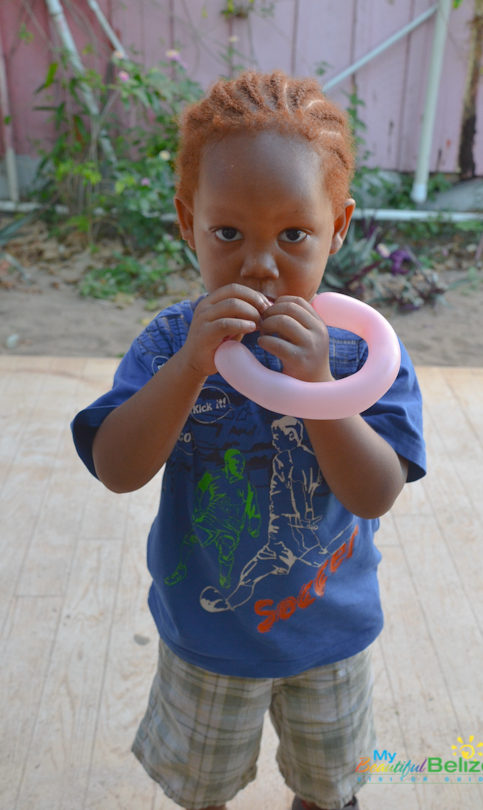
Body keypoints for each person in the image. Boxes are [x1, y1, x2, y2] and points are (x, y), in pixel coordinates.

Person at [71, 69, 426, 810]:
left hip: (328, 634)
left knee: (329, 791)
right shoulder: (171, 343)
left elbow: (375, 493)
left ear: (338, 226)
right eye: (228, 233)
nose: (260, 265)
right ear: (187, 222)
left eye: (293, 234)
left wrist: (319, 384)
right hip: (207, 633)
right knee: (200, 791)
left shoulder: (361, 354)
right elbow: (117, 467)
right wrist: (189, 367)